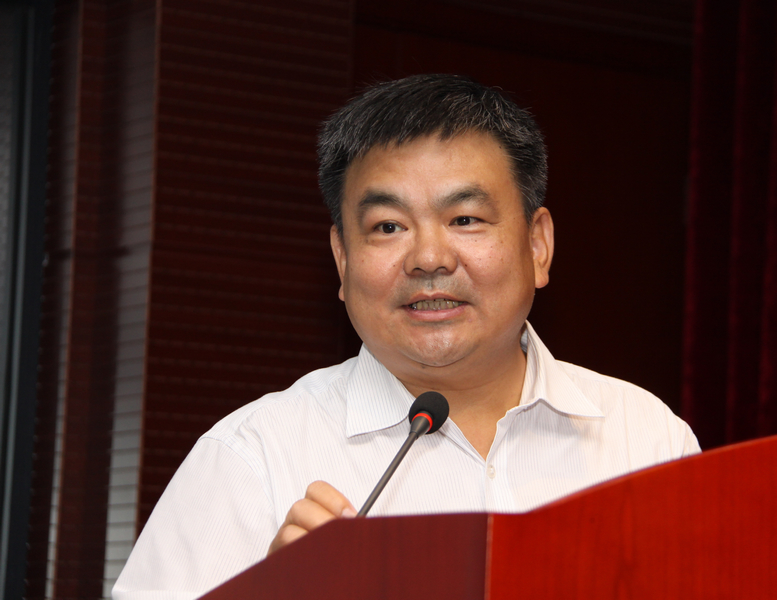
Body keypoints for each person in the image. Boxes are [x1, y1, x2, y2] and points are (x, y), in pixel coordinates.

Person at [112, 74, 700, 599]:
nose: (428, 257)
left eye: (465, 219)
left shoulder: (645, 442)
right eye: (388, 226)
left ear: (537, 245)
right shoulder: (252, 457)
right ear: (343, 259)